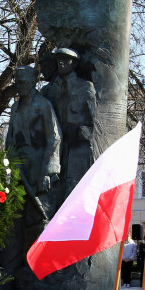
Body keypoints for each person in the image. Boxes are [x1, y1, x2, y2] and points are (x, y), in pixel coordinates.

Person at [1, 65, 62, 290]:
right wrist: (7, 167)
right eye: (17, 81)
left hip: (39, 166)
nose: (20, 85)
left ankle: (37, 275)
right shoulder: (16, 107)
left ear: (33, 81)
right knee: (15, 220)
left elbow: (54, 139)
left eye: (23, 81)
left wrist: (47, 171)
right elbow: (10, 141)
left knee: (38, 219)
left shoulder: (43, 105)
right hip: (19, 167)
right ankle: (11, 274)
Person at [42, 47, 97, 197]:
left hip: (78, 146)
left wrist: (85, 133)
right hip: (56, 146)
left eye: (66, 60)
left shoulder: (85, 87)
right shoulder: (48, 90)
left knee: (75, 187)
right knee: (56, 189)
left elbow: (94, 119)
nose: (62, 63)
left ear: (74, 64)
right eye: (59, 59)